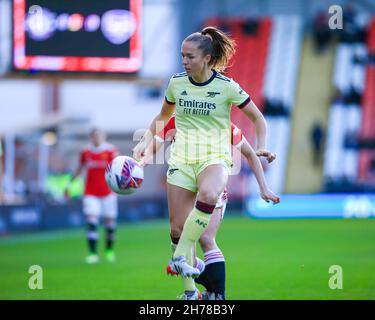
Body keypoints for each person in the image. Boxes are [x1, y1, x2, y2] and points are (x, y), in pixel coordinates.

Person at [133, 26, 274, 300]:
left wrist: (262, 147)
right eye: (182, 56)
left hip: (215, 158)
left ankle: (188, 267)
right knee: (176, 229)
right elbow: (162, 118)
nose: (184, 62)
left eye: (190, 57)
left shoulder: (226, 87)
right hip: (183, 160)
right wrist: (144, 145)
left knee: (207, 209)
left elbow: (258, 119)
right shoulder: (176, 84)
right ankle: (195, 284)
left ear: (207, 58)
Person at [141, 115, 279, 300]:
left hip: (212, 186)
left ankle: (216, 294)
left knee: (206, 238)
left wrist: (263, 187)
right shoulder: (176, 120)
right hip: (184, 184)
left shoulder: (222, 123)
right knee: (178, 234)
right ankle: (199, 290)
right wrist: (141, 163)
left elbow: (249, 153)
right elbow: (154, 145)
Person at [64, 129, 119, 264]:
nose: (97, 138)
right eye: (95, 136)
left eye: (99, 135)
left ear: (104, 136)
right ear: (90, 137)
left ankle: (109, 250)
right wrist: (69, 185)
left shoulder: (110, 150)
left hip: (108, 192)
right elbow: (79, 168)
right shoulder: (85, 152)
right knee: (91, 220)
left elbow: (119, 168)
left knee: (110, 223)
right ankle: (93, 253)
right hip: (90, 193)